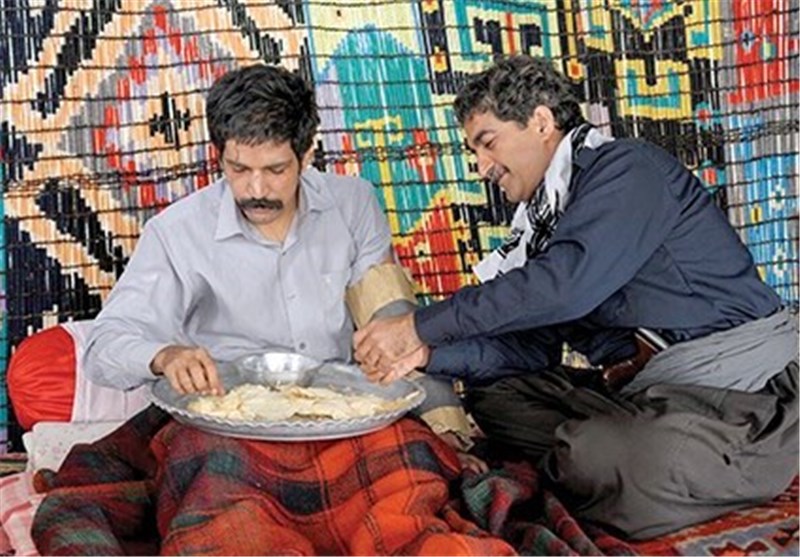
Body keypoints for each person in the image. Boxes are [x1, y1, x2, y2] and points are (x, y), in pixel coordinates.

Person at [32, 64, 511, 556]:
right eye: (238, 169)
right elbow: (105, 347)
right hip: (225, 429)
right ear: (219, 155)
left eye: (276, 170)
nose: (256, 189)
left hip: (345, 418)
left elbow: (393, 323)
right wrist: (164, 355)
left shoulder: (352, 204)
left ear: (306, 154)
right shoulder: (176, 232)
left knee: (410, 485)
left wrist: (444, 425)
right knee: (228, 518)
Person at [354, 55, 799, 540]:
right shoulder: (545, 223)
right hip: (645, 394)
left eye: (488, 143)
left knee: (596, 455)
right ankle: (623, 466)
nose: (481, 167)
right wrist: (426, 354)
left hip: (742, 395)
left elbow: (564, 287)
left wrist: (418, 326)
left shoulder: (629, 170)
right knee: (498, 394)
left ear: (541, 122)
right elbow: (530, 347)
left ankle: (644, 466)